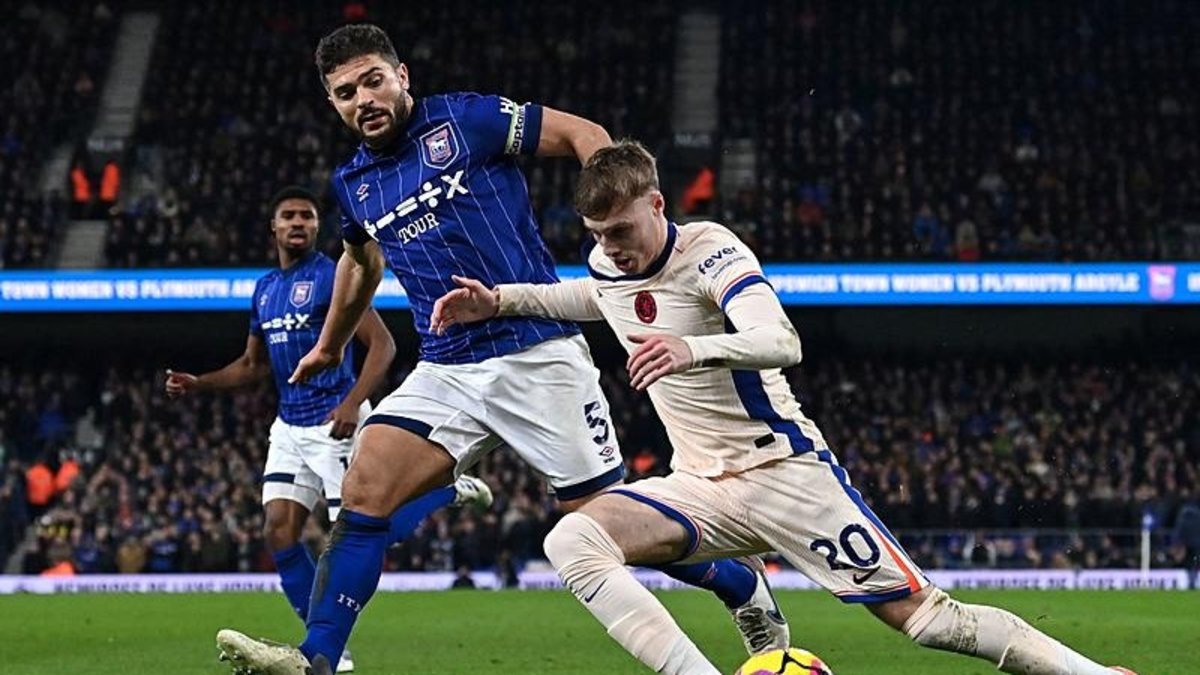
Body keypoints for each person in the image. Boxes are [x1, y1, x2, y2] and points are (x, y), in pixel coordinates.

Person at [429, 141, 1141, 675]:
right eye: (596, 236)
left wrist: (693, 347)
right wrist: (503, 299)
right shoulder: (608, 262)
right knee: (571, 540)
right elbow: (594, 297)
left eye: (619, 230)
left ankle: (1094, 673)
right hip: (701, 483)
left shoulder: (713, 253)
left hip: (785, 473)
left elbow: (783, 339)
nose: (609, 248)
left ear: (657, 204)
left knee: (926, 620)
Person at [215, 25, 787, 675]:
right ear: (334, 104)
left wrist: (620, 235)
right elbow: (359, 262)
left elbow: (583, 134)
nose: (363, 98)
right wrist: (328, 342)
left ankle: (739, 581)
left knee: (608, 529)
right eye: (345, 92)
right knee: (365, 487)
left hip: (536, 352)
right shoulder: (354, 181)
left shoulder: (467, 120)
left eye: (373, 79)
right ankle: (315, 659)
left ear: (403, 76)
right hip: (447, 364)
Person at [169, 186, 492, 673]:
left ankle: (447, 491)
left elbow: (382, 347)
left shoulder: (332, 278)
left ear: (317, 227)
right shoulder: (264, 289)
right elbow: (253, 366)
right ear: (273, 228)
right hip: (290, 426)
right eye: (288, 216)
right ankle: (323, 650)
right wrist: (201, 382)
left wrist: (352, 402)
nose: (298, 223)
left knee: (365, 530)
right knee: (279, 531)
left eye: (307, 216)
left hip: (334, 423)